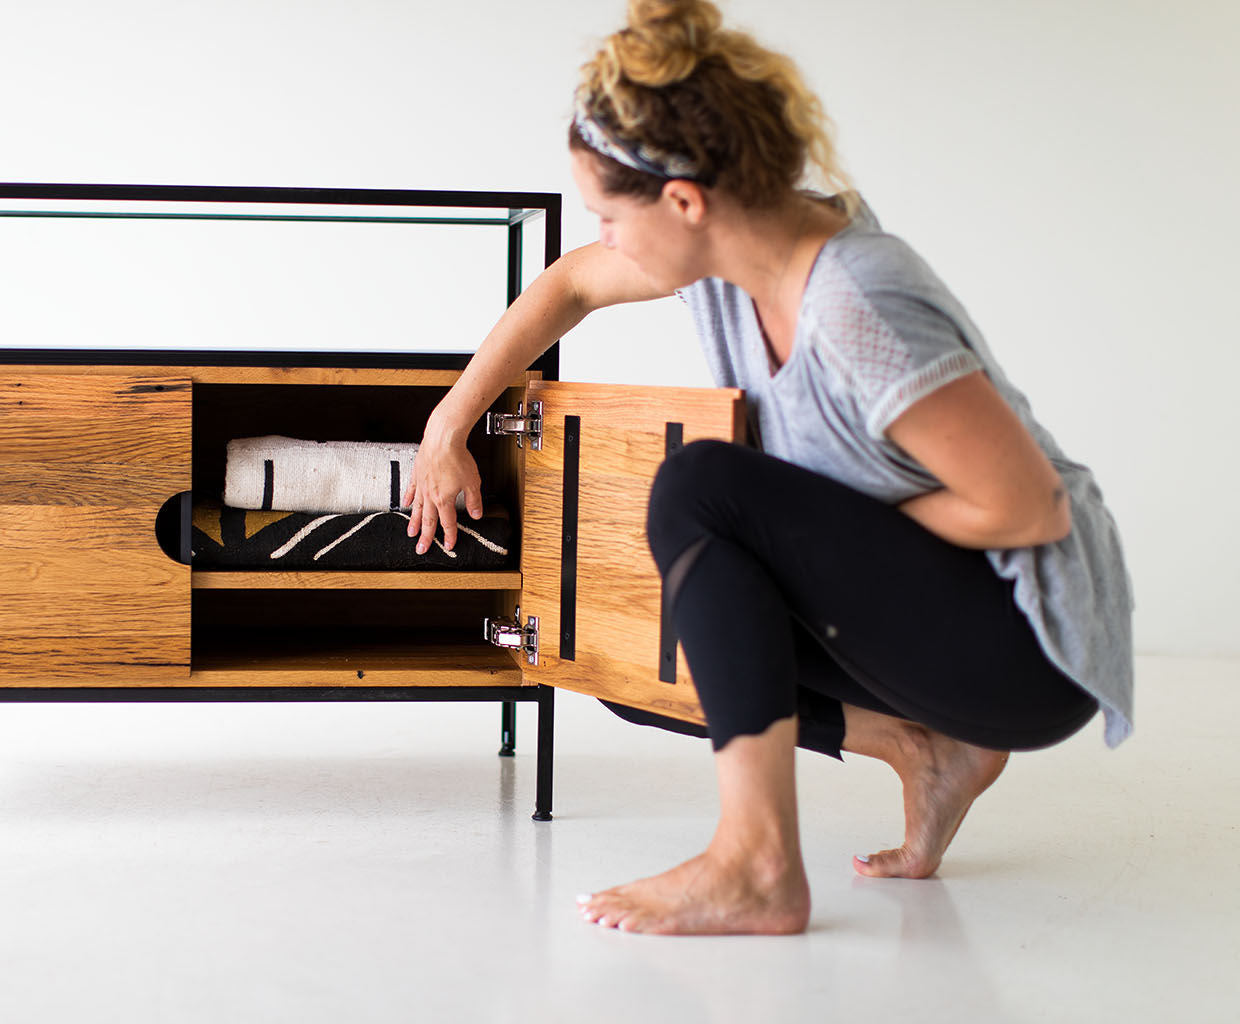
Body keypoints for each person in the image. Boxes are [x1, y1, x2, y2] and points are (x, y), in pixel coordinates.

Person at [402, 0, 1133, 936]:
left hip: (1030, 641)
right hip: (944, 627)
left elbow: (1027, 508)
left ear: (684, 202)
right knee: (634, 642)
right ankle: (925, 749)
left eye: (607, 215)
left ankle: (756, 866)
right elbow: (571, 285)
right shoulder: (726, 253)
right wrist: (446, 426)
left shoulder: (856, 304)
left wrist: (813, 536)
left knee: (703, 488)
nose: (605, 239)